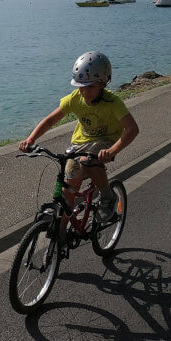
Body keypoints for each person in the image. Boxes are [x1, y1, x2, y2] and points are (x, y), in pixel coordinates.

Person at [19, 51, 139, 250]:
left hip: (105, 142)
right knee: (68, 190)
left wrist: (113, 150)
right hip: (79, 144)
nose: (85, 92)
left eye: (90, 87)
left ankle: (108, 196)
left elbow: (132, 129)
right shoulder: (76, 98)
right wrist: (31, 139)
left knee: (89, 162)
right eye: (81, 87)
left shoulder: (113, 103)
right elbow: (50, 120)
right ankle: (61, 234)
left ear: (104, 83)